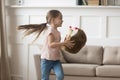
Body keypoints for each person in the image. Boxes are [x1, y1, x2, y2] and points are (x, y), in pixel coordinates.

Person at [17, 9, 74, 80]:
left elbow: (56, 46)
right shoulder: (50, 30)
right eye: (60, 18)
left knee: (60, 76)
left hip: (56, 60)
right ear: (53, 20)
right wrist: (63, 43)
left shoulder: (58, 32)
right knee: (45, 78)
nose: (62, 20)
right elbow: (51, 44)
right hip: (46, 60)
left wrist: (65, 45)